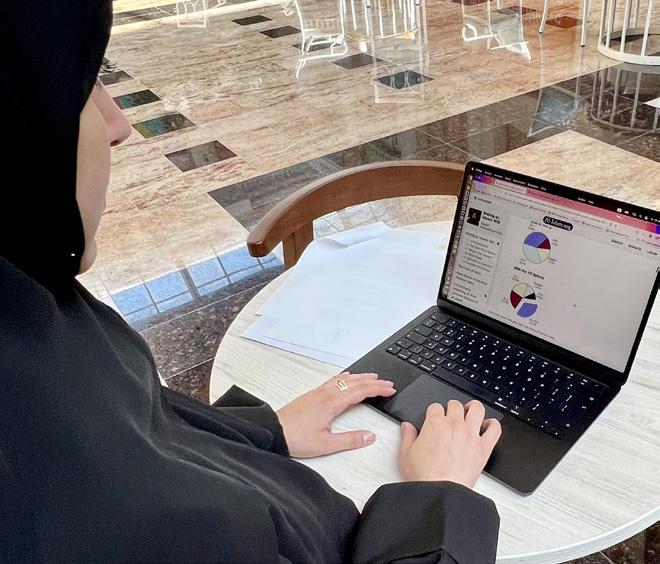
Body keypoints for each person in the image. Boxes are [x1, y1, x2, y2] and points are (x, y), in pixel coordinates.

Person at [0, 1, 502, 562]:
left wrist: (266, 431)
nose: (119, 125)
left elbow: (149, 428)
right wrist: (438, 502)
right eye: (84, 85)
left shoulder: (29, 301)